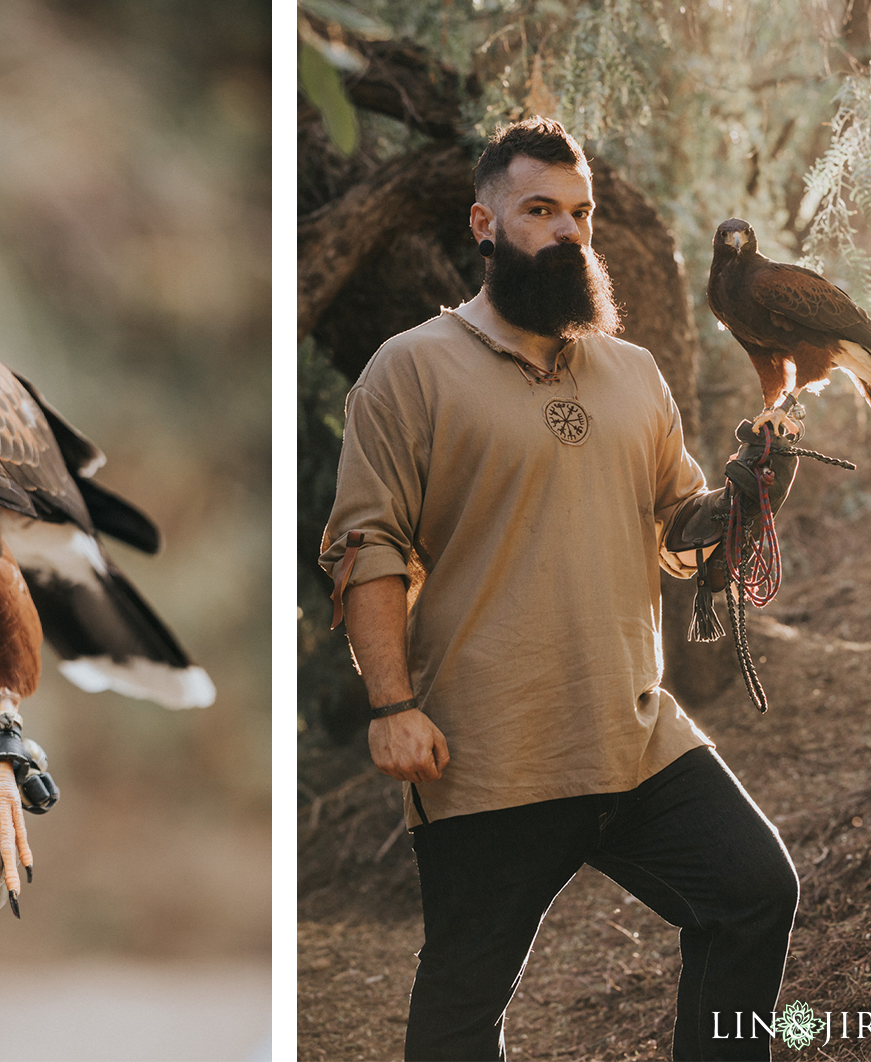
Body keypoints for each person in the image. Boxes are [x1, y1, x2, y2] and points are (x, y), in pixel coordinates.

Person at [320, 118, 801, 1061]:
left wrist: (746, 495)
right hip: (489, 750)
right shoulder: (409, 370)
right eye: (540, 210)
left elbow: (678, 529)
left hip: (634, 732)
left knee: (753, 892)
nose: (568, 231)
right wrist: (391, 706)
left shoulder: (634, 374)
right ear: (484, 223)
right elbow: (364, 544)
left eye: (580, 213)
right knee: (465, 1003)